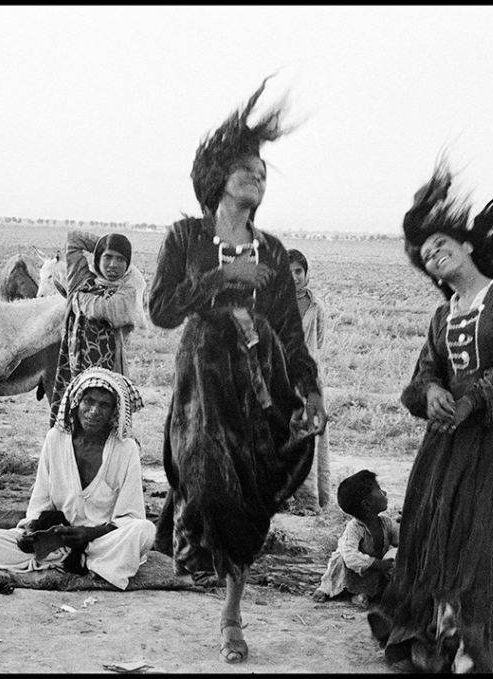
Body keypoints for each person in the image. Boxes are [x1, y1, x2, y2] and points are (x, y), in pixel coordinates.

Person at [148, 77, 327, 664]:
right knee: (203, 475)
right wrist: (222, 279)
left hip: (259, 385)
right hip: (202, 382)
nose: (259, 177)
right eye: (248, 169)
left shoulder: (273, 250)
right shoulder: (185, 237)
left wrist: (309, 392)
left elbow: (293, 336)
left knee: (250, 493)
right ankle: (193, 540)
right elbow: (160, 311)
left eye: (264, 173)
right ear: (218, 177)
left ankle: (231, 614)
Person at [367, 160, 493, 673]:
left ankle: (473, 651)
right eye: (426, 255)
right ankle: (429, 641)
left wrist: (471, 401)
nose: (433, 255)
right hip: (441, 449)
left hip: (492, 443)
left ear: (468, 245)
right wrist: (429, 392)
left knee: (482, 541)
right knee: (431, 537)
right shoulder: (442, 316)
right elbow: (418, 378)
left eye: (440, 244)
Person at [0, 367, 156, 590]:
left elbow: (132, 515)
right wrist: (31, 533)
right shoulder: (55, 439)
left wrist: (89, 534)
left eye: (104, 405)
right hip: (58, 541)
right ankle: (82, 563)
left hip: (103, 541)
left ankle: (78, 560)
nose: (94, 411)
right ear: (77, 402)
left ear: (114, 411)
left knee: (145, 531)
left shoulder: (126, 449)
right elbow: (40, 503)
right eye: (89, 401)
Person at [47, 230, 148, 426]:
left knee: (104, 421)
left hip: (108, 371)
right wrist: (104, 245)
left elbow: (103, 309)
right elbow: (73, 239)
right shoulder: (82, 279)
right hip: (73, 368)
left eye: (121, 259)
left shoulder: (127, 291)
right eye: (107, 257)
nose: (113, 265)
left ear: (128, 264)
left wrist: (79, 297)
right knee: (72, 422)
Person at [312, 470, 398, 608]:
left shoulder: (386, 523)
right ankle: (326, 589)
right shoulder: (354, 528)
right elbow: (350, 556)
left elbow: (400, 539)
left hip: (371, 571)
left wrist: (406, 524)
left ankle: (359, 596)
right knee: (340, 562)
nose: (385, 493)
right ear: (366, 505)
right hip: (353, 568)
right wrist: (377, 564)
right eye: (380, 490)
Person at [287, 248, 331, 512]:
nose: (294, 277)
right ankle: (282, 496)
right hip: (281, 381)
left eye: (298, 271)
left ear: (306, 274)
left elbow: (319, 342)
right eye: (288, 272)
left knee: (309, 438)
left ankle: (308, 501)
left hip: (310, 383)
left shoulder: (317, 306)